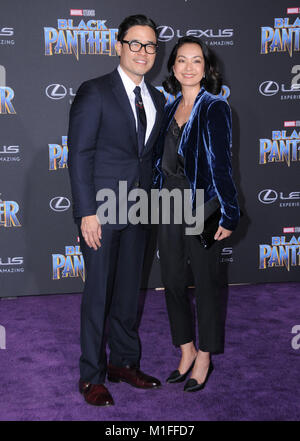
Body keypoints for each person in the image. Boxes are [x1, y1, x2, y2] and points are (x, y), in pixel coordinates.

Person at [68, 14, 165, 406]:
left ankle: (123, 362)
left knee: (128, 294)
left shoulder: (157, 98)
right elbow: (79, 155)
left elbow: (149, 158)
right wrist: (86, 212)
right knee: (98, 296)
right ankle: (91, 375)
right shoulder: (94, 92)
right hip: (102, 214)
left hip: (140, 210)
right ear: (118, 46)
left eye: (151, 46)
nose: (144, 52)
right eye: (136, 44)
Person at [153, 36, 240, 392]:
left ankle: (204, 356)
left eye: (196, 61)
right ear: (173, 67)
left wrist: (229, 213)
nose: (189, 67)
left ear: (206, 69)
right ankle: (185, 349)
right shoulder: (167, 107)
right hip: (167, 204)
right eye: (182, 61)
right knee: (172, 281)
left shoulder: (215, 107)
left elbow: (222, 166)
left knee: (205, 284)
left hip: (203, 204)